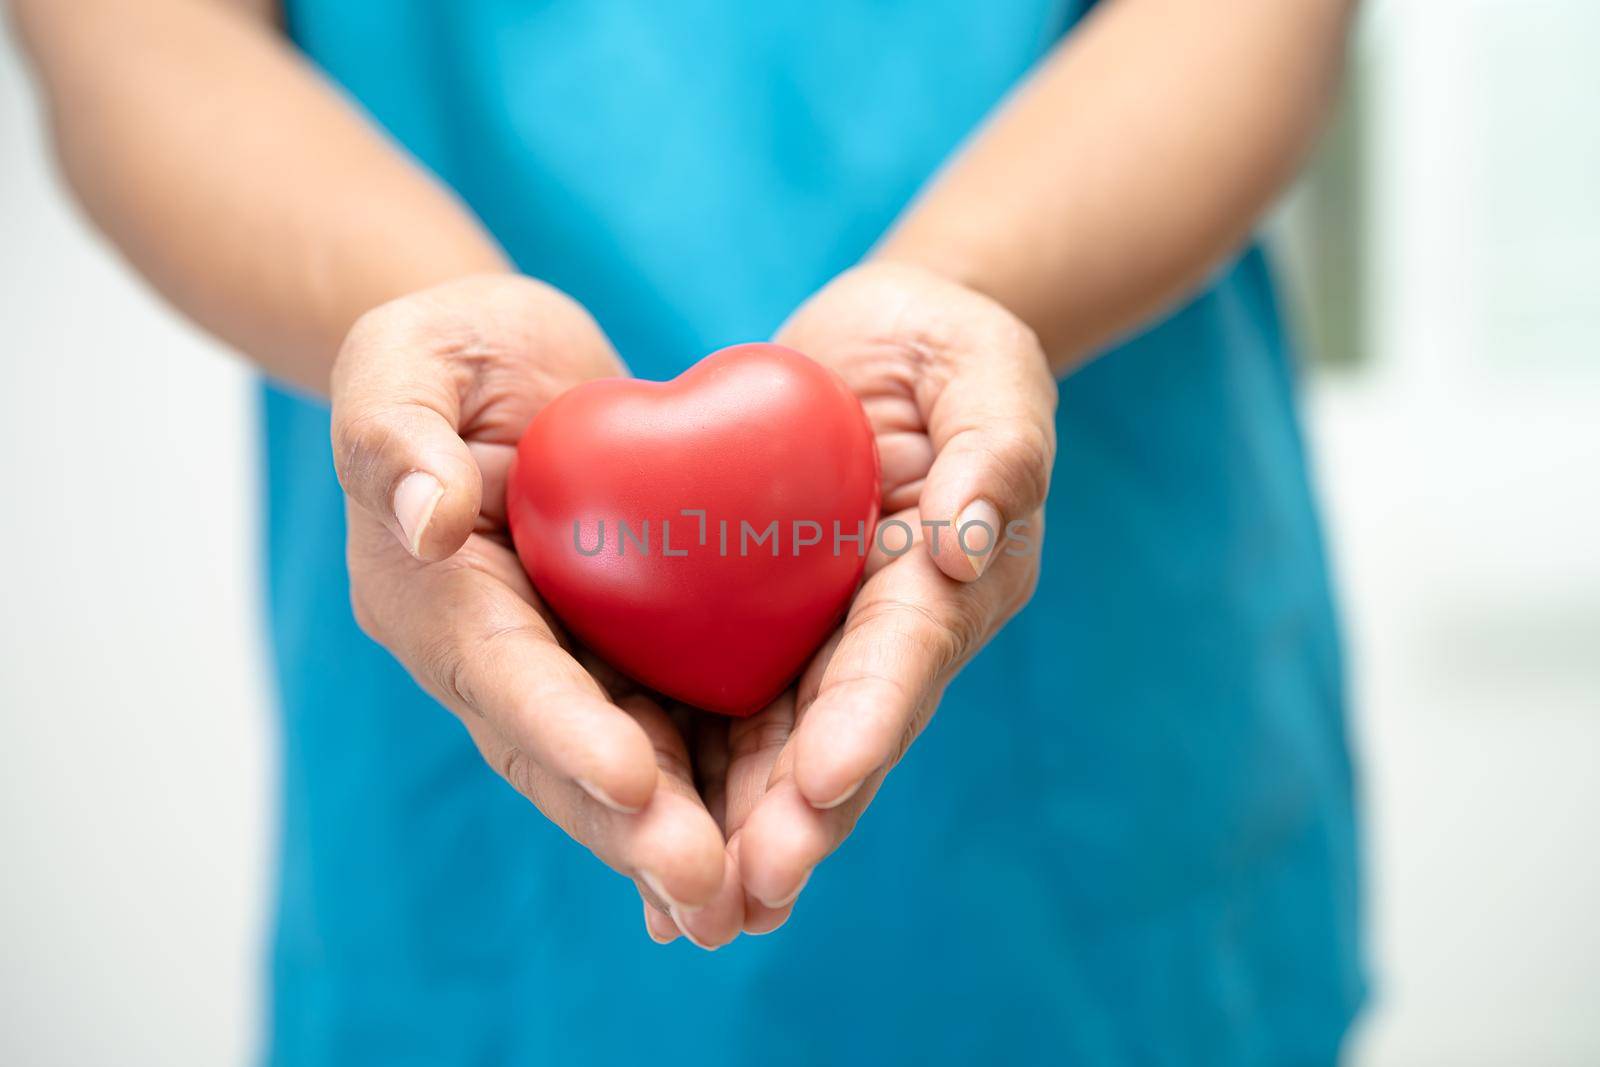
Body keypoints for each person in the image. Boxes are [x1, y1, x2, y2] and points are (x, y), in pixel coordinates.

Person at [11, 0, 1364, 1062]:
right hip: (462, 639)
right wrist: (424, 329)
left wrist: (963, 291)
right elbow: (141, 30)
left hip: (1086, 659)